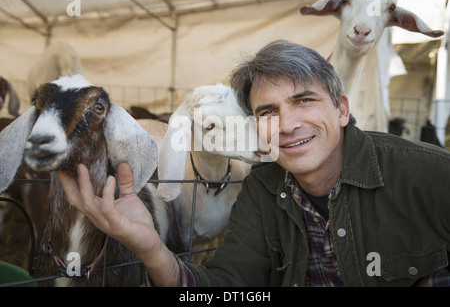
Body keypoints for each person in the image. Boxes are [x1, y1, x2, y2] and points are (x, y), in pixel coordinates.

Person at [59, 40, 450, 287]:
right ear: (254, 126)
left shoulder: (429, 175)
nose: (288, 124)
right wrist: (152, 248)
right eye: (268, 111)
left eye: (304, 100)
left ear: (342, 109)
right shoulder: (260, 190)